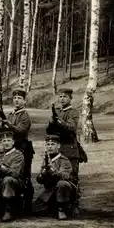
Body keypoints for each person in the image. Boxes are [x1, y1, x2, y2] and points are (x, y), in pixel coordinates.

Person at [45, 88, 82, 216]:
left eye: (65, 96)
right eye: (60, 96)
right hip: (57, 148)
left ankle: (74, 203)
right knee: (53, 174)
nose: (62, 99)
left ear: (70, 98)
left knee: (72, 177)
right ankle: (56, 204)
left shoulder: (73, 112)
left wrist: (58, 121)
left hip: (69, 148)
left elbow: (71, 128)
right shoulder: (57, 112)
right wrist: (51, 123)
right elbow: (49, 132)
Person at [0, 89, 34, 213]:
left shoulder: (25, 115)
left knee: (24, 175)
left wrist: (10, 125)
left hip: (22, 147)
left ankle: (26, 204)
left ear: (24, 101)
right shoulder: (12, 114)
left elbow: (21, 130)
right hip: (11, 146)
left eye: (19, 98)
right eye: (14, 98)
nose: (16, 100)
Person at [33, 135, 77, 220]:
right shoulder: (47, 160)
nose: (50, 147)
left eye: (52, 144)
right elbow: (40, 180)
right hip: (51, 191)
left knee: (62, 184)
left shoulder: (64, 160)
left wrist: (53, 170)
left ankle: (61, 209)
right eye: (48, 144)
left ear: (58, 146)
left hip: (65, 190)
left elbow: (65, 176)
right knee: (35, 210)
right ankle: (54, 207)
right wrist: (42, 174)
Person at [0, 127, 25, 222]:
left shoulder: (18, 155)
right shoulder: (0, 155)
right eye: (4, 141)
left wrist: (1, 167)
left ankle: (8, 210)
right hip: (0, 184)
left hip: (15, 184)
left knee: (8, 179)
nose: (6, 143)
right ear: (1, 143)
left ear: (13, 142)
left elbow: (15, 174)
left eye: (8, 140)